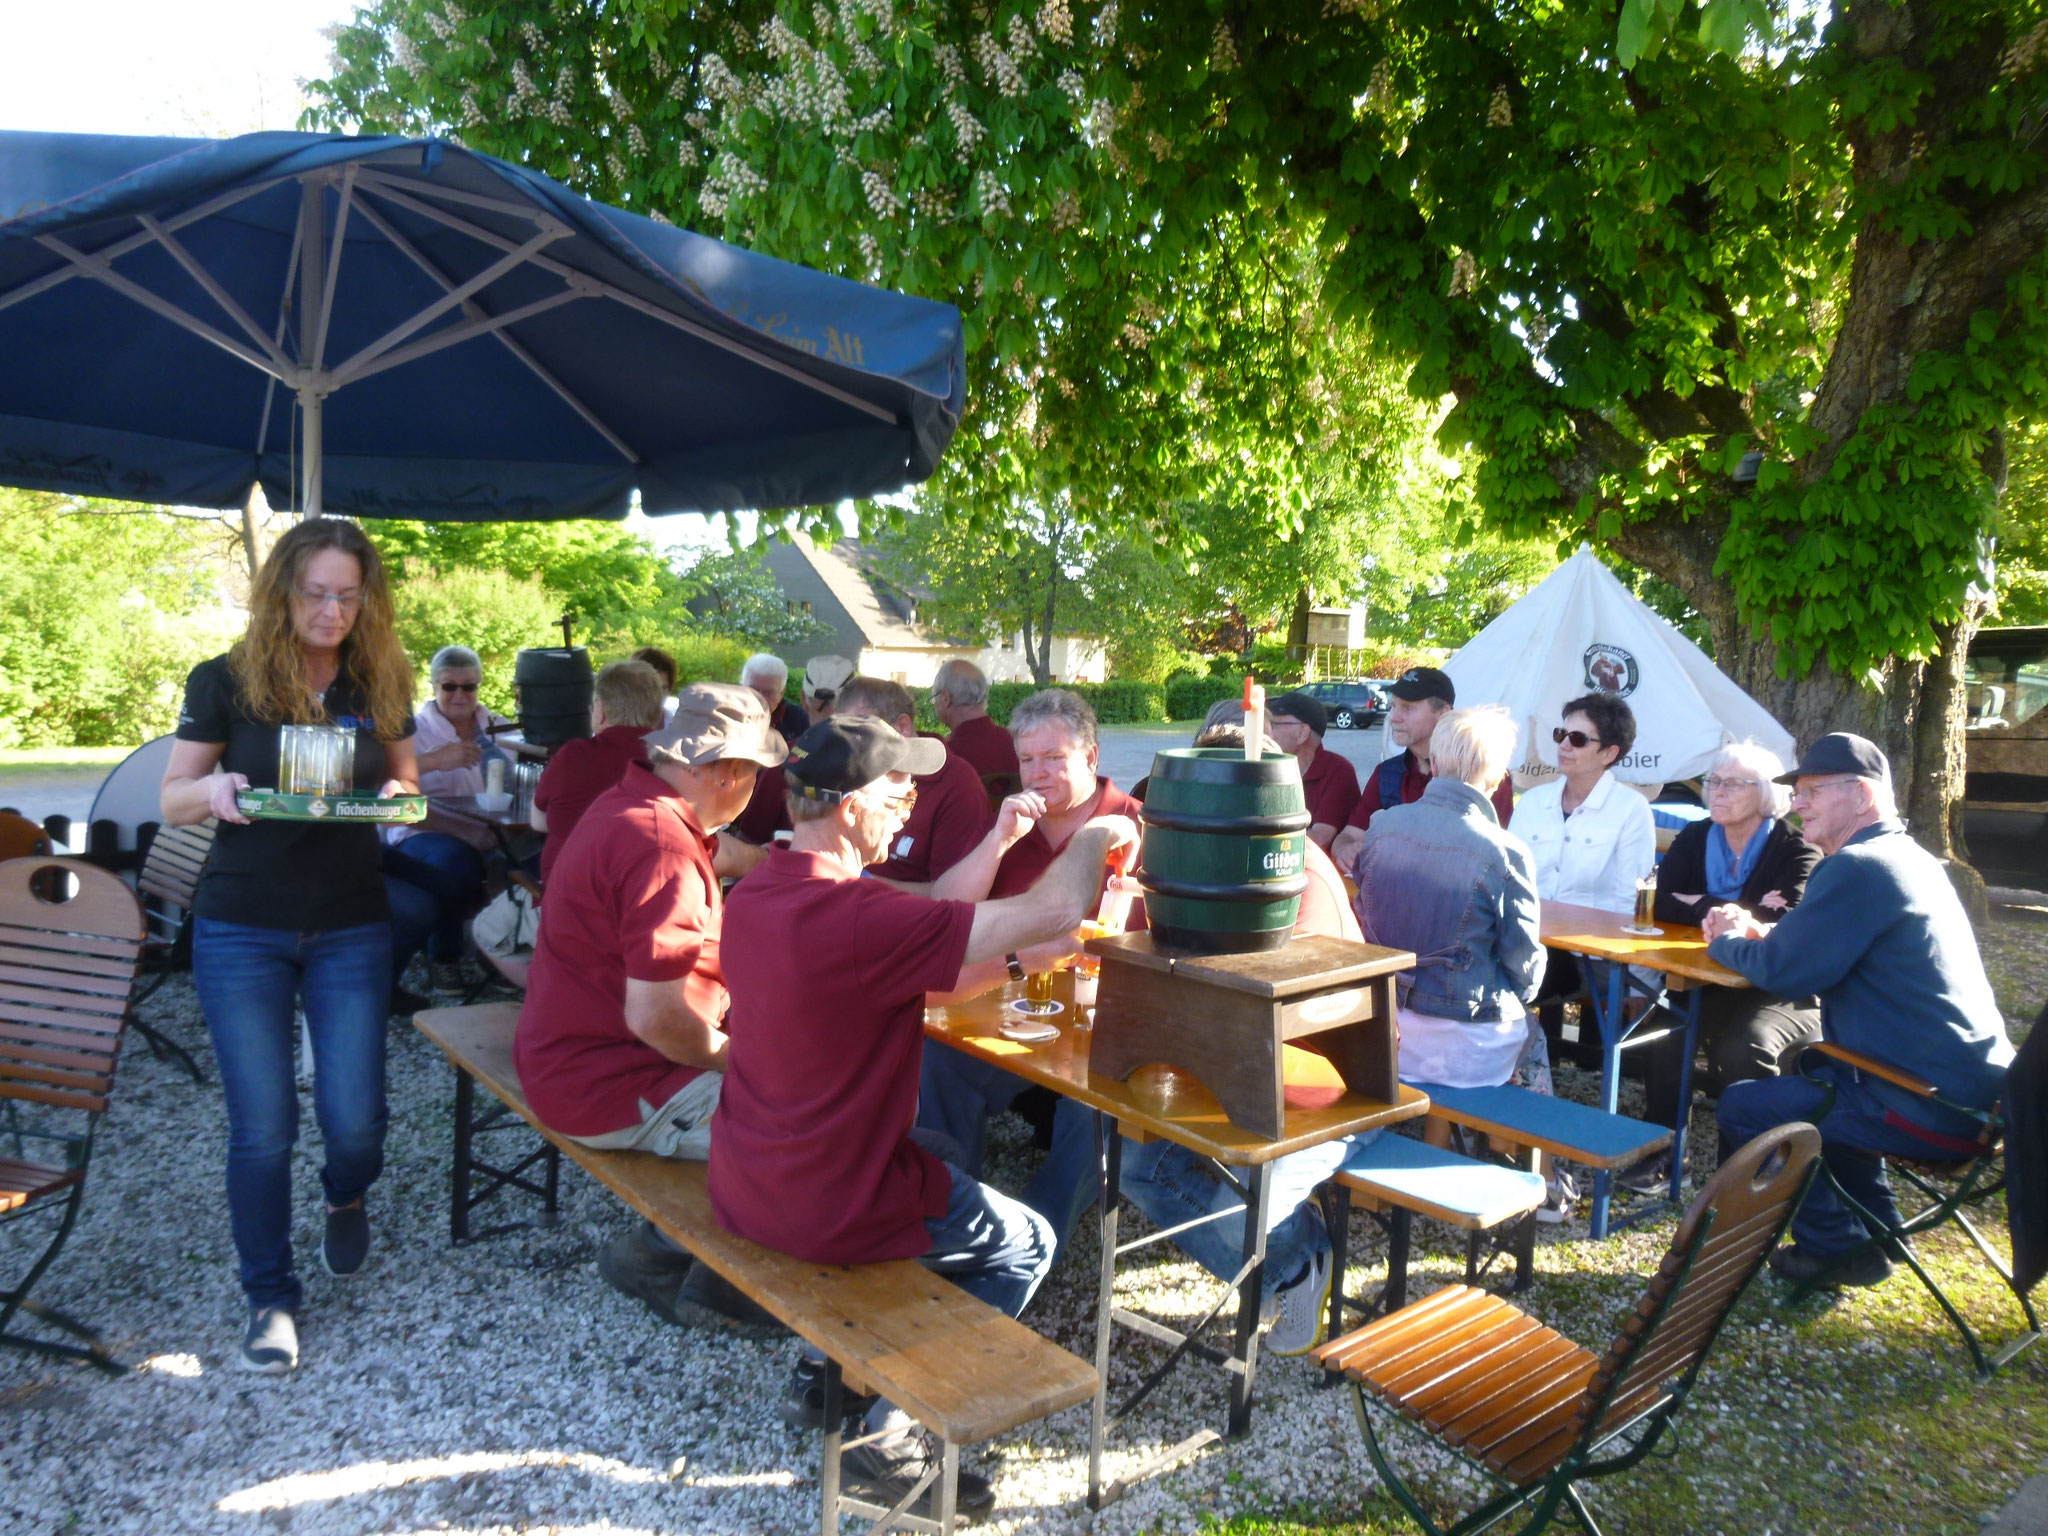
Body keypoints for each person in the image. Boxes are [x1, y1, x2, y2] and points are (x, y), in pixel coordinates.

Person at [712, 715, 1138, 1516]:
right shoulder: (860, 915)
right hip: (825, 1196)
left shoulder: (766, 887)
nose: (911, 800)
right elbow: (1055, 910)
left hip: (747, 1168)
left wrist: (1017, 959)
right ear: (846, 807)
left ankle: (826, 1374)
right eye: (894, 787)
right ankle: (888, 1435)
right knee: (1032, 1242)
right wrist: (1107, 827)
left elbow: (929, 966)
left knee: (943, 1144)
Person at [160, 517, 421, 1374]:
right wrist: (218, 787)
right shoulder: (226, 681)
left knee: (356, 1120)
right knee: (263, 1127)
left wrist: (394, 795)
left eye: (349, 594)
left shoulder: (378, 680)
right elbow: (172, 800)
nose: (332, 609)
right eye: (316, 593)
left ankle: (345, 1192)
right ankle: (269, 1296)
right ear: (283, 593)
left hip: (350, 920)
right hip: (243, 925)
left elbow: (407, 786)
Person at [514, 683, 788, 1331]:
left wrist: (773, 860)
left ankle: (669, 1248)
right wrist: (738, 1061)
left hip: (569, 1056)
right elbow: (658, 1021)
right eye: (754, 774)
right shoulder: (663, 849)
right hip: (610, 1082)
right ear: (727, 771)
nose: (756, 789)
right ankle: (700, 1275)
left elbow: (720, 851)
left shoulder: (637, 803)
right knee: (805, 1125)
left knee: (791, 1087)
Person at [1711, 734, 2015, 1288]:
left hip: (1925, 1104)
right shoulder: (1905, 858)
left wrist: (1728, 940)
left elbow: (1784, 973)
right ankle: (1880, 1233)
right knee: (1820, 1079)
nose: (1799, 802)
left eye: (1812, 790)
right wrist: (1769, 934)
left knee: (1744, 1107)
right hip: (1977, 1099)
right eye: (1797, 791)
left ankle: (1837, 1248)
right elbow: (1819, 946)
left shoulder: (1858, 866)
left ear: (1863, 796)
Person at [1113, 715, 1366, 1359]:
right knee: (1138, 1164)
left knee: (1225, 1195)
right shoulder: (1195, 861)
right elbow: (1158, 955)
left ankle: (1292, 1263)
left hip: (1323, 1088)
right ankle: (1285, 1263)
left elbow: (1297, 1015)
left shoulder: (1290, 873)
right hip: (1226, 1063)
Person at [914, 688, 1146, 1256]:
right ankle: (943, 1217)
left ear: (1091, 759)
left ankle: (1029, 1247)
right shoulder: (1014, 822)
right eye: (1026, 760)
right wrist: (997, 840)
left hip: (1111, 1022)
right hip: (1016, 1013)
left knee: (1093, 1108)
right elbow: (946, 911)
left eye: (1053, 759)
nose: (1037, 774)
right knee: (938, 1062)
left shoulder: (1137, 824)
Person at [1617, 740, 1822, 1194]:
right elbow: (1665, 902)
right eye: (1714, 781)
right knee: (1669, 1033)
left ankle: (1752, 1172)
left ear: (1766, 793)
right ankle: (1668, 1156)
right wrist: (1733, 909)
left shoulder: (1796, 847)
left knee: (1742, 1046)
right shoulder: (1695, 837)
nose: (1718, 792)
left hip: (1774, 987)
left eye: (1734, 784)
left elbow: (1786, 918)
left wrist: (1707, 906)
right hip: (1707, 975)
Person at [384, 644, 513, 994]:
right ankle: (444, 956)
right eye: (449, 686)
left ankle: (502, 955)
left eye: (468, 686)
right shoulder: (411, 731)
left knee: (529, 861)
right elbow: (391, 797)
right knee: (454, 860)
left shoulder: (498, 727)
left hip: (493, 829)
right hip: (420, 831)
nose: (459, 695)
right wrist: (433, 761)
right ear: (433, 687)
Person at [1330, 667, 1514, 873]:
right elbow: (1349, 835)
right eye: (1393, 706)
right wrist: (1345, 850)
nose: (1394, 718)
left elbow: (1491, 860)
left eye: (1407, 708)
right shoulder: (1386, 773)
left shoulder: (1482, 776)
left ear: (1443, 714)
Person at [835, 675, 993, 883]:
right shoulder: (851, 768)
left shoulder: (959, 787)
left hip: (897, 910)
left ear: (902, 727)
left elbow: (952, 897)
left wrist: (859, 884)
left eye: (863, 733)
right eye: (843, 733)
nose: (851, 745)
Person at [1512, 691, 1657, 916]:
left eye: (1578, 739)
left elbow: (1630, 902)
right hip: (1525, 939)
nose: (1564, 746)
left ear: (1609, 754)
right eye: (1561, 735)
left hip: (1587, 947)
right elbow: (1508, 878)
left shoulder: (1632, 810)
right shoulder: (1532, 801)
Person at [528, 659, 666, 887]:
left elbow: (538, 821)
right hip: (639, 898)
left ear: (600, 710)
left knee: (487, 922)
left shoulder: (572, 757)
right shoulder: (671, 764)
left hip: (564, 898)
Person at [1266, 690, 1360, 851]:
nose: (1267, 732)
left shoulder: (1338, 770)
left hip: (1315, 870)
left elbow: (1320, 838)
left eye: (1274, 725)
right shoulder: (1267, 767)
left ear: (1302, 733)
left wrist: (1264, 850)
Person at [931, 657, 1020, 793]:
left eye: (934, 697)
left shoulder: (946, 758)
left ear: (945, 698)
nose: (933, 704)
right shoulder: (1018, 742)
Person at [740, 651, 809, 741]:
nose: (759, 698)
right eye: (753, 690)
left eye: (768, 692)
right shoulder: (723, 714)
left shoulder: (800, 720)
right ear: (741, 687)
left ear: (781, 694)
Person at [632, 646, 679, 724]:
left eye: (663, 688)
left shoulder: (674, 725)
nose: (657, 696)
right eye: (651, 688)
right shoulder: (613, 726)